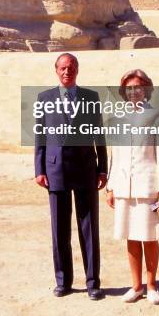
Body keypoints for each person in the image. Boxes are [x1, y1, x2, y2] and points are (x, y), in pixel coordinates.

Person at [34, 53, 107, 300]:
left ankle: (93, 283)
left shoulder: (91, 98)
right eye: (63, 68)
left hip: (86, 169)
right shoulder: (44, 99)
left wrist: (103, 168)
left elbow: (100, 136)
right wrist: (39, 169)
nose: (68, 71)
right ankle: (63, 281)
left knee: (89, 229)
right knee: (60, 230)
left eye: (72, 67)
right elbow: (40, 137)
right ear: (56, 71)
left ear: (77, 70)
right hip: (56, 171)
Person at [106, 69, 159, 305]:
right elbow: (114, 156)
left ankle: (152, 286)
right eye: (129, 88)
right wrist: (111, 187)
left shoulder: (158, 116)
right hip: (124, 188)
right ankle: (136, 286)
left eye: (138, 87)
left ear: (146, 90)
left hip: (148, 188)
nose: (134, 92)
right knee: (131, 238)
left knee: (149, 237)